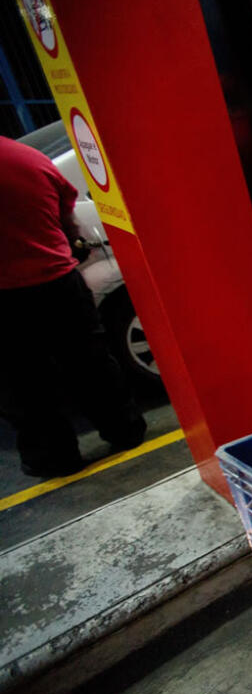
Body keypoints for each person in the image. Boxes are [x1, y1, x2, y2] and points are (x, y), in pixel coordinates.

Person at [0, 135, 146, 478]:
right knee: (90, 363)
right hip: (59, 284)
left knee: (24, 385)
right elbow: (69, 222)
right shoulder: (27, 158)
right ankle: (125, 431)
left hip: (4, 301)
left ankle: (53, 458)